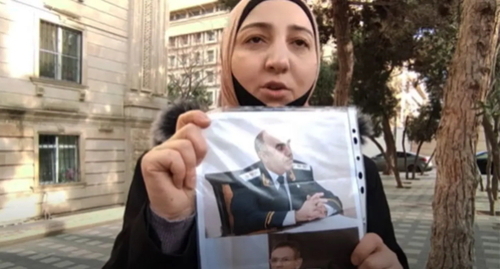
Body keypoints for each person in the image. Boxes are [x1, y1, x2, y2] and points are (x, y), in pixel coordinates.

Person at [102, 0, 409, 268]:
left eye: (300, 42)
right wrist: (167, 224)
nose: (278, 61)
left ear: (317, 62)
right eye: (256, 39)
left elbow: (378, 243)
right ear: (226, 56)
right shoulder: (169, 170)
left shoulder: (358, 169)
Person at [226, 130, 343, 235]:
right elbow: (244, 220)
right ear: (264, 156)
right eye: (280, 148)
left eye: (288, 144)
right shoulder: (247, 179)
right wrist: (296, 216)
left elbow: (334, 200)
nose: (289, 152)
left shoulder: (300, 171)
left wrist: (323, 209)